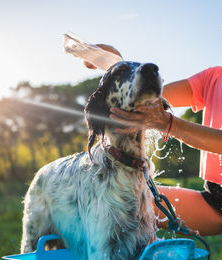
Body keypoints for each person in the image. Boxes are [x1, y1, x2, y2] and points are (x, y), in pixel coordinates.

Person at [84, 46, 222, 236]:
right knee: (127, 203)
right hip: (216, 199)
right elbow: (145, 96)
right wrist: (115, 64)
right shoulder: (214, 78)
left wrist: (166, 124)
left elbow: (158, 114)